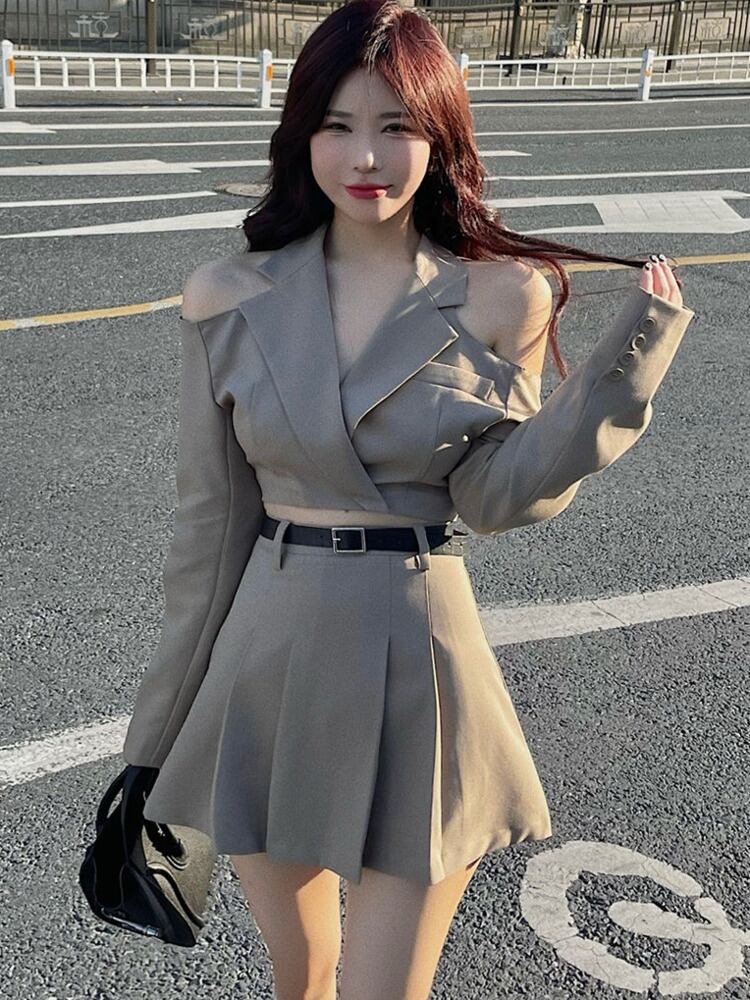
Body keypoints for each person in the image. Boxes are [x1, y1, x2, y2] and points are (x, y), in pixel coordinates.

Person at [120, 1, 695, 997]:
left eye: (396, 126)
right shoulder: (227, 295)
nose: (365, 156)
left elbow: (497, 495)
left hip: (422, 660)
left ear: (441, 138)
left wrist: (622, 370)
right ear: (301, 137)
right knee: (301, 976)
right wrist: (153, 744)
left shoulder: (502, 295)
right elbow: (208, 536)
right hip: (266, 662)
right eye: (336, 125)